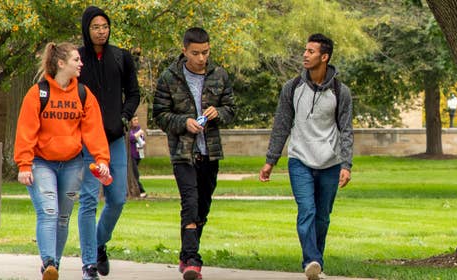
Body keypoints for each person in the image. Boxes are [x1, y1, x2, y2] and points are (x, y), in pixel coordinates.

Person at [259, 33, 355, 280]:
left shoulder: (340, 91)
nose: (305, 54)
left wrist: (346, 164)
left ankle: (315, 264)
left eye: (311, 51)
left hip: (330, 163)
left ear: (325, 57)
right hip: (299, 159)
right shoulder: (292, 88)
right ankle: (311, 260)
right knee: (307, 211)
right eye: (305, 50)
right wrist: (271, 161)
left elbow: (346, 129)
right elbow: (281, 125)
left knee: (322, 217)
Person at [14, 42, 112, 280]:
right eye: (76, 60)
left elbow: (94, 131)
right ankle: (48, 261)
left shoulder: (83, 94)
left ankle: (53, 266)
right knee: (48, 211)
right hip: (42, 163)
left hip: (72, 164)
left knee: (63, 217)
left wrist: (102, 159)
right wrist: (24, 164)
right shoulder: (38, 93)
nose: (81, 64)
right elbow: (26, 131)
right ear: (60, 63)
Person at [152, 27, 237, 280]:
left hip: (210, 153)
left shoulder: (219, 75)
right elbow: (160, 115)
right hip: (183, 153)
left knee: (202, 208)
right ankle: (192, 260)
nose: (201, 58)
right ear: (184, 51)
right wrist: (184, 123)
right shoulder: (169, 77)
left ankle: (185, 253)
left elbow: (231, 110)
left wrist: (218, 113)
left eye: (206, 52)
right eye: (196, 53)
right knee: (189, 203)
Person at [76, 6, 142, 277]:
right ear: (86, 29)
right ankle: (89, 262)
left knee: (116, 199)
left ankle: (99, 243)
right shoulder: (77, 59)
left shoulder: (121, 57)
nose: (101, 31)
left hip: (114, 138)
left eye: (105, 26)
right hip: (86, 142)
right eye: (95, 27)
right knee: (89, 199)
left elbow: (134, 94)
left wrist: (124, 117)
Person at [129, 116, 148, 198]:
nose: (136, 121)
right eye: (134, 120)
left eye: (137, 119)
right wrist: (138, 134)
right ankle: (141, 190)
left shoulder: (139, 129)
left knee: (134, 172)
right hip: (131, 155)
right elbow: (131, 138)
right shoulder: (130, 130)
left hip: (138, 154)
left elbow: (142, 140)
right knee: (135, 173)